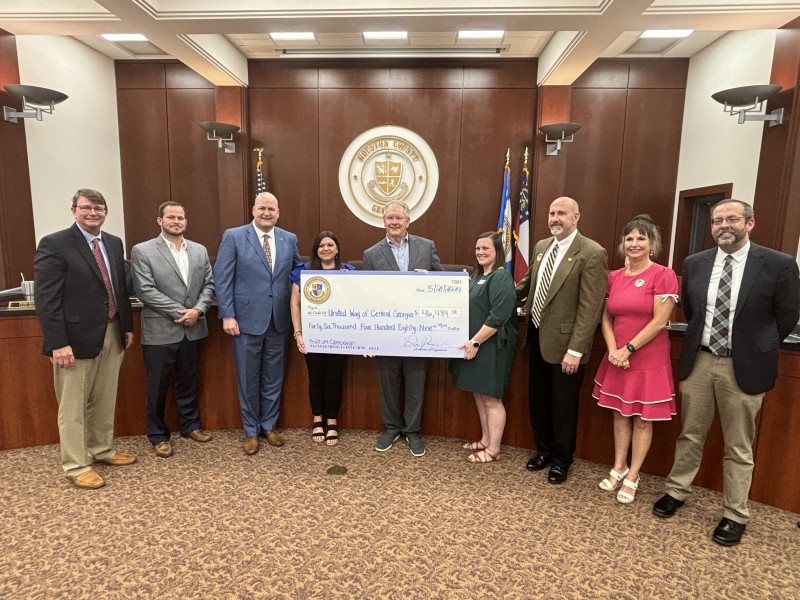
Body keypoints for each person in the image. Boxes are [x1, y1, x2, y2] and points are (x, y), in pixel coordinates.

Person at [653, 199, 799, 546]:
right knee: (690, 433)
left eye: (731, 219)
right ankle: (677, 491)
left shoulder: (778, 264)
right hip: (700, 361)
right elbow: (691, 309)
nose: (723, 225)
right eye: (717, 220)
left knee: (739, 444)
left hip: (744, 365)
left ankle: (735, 514)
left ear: (750, 223)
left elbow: (787, 315)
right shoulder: (695, 263)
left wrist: (756, 345)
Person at [33, 188, 136, 489]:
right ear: (74, 210)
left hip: (112, 332)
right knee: (73, 405)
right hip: (73, 340)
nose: (93, 213)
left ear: (106, 212)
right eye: (86, 208)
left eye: (99, 208)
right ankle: (77, 465)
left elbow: (118, 288)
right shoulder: (55, 244)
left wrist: (126, 326)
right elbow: (46, 299)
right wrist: (57, 342)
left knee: (104, 398)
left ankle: (102, 450)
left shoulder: (114, 244)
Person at [516, 196, 607, 484]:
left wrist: (576, 350)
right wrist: (486, 290)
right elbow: (526, 285)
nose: (555, 218)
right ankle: (543, 450)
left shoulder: (592, 252)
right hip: (536, 338)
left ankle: (561, 460)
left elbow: (590, 307)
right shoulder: (542, 247)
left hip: (567, 347)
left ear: (576, 217)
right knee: (539, 401)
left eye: (562, 213)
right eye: (552, 213)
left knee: (563, 406)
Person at [592, 215, 678, 503]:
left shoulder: (662, 274)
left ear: (652, 243)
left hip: (647, 359)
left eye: (641, 238)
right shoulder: (613, 277)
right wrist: (614, 350)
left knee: (642, 419)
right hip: (616, 356)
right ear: (622, 244)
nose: (635, 243)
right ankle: (619, 466)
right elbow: (605, 318)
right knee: (619, 413)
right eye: (629, 238)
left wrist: (627, 350)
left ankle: (633, 475)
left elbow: (659, 321)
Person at [214, 192, 301, 455]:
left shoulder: (289, 239)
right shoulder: (234, 236)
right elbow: (222, 277)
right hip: (245, 321)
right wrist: (227, 314)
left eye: (271, 209)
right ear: (253, 210)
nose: (267, 213)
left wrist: (335, 275)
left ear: (278, 213)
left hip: (279, 320)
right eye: (262, 208)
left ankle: (269, 425)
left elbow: (299, 274)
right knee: (248, 377)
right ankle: (250, 430)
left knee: (273, 377)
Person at [131, 201, 215, 458]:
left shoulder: (199, 251)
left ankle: (190, 426)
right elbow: (144, 290)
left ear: (186, 222)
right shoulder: (143, 251)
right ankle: (158, 435)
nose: (176, 221)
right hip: (160, 331)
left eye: (180, 217)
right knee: (157, 386)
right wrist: (181, 312)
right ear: (160, 221)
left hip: (193, 328)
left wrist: (198, 311)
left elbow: (209, 285)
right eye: (171, 217)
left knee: (188, 382)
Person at [362, 201, 443, 457]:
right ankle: (391, 428)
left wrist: (427, 278)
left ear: (408, 221)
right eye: (389, 218)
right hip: (386, 330)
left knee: (416, 380)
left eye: (398, 217)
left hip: (419, 329)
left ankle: (412, 431)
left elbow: (442, 281)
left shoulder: (426, 246)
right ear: (383, 222)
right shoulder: (371, 254)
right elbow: (366, 295)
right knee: (388, 381)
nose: (394, 222)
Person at [449, 231, 517, 463]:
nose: (480, 252)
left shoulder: (500, 278)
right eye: (478, 248)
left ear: (497, 251)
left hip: (490, 346)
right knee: (480, 394)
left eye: (485, 248)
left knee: (492, 398)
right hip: (475, 345)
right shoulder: (477, 276)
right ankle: (486, 440)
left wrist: (476, 340)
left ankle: (493, 449)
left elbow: (498, 316)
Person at [290, 231, 355, 446]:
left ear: (337, 249)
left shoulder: (349, 272)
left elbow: (359, 303)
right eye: (321, 246)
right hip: (312, 336)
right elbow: (295, 304)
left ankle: (332, 421)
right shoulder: (304, 271)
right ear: (316, 250)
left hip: (339, 337)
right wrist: (298, 333)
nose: (326, 249)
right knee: (316, 379)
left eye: (330, 245)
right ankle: (317, 419)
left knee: (334, 379)